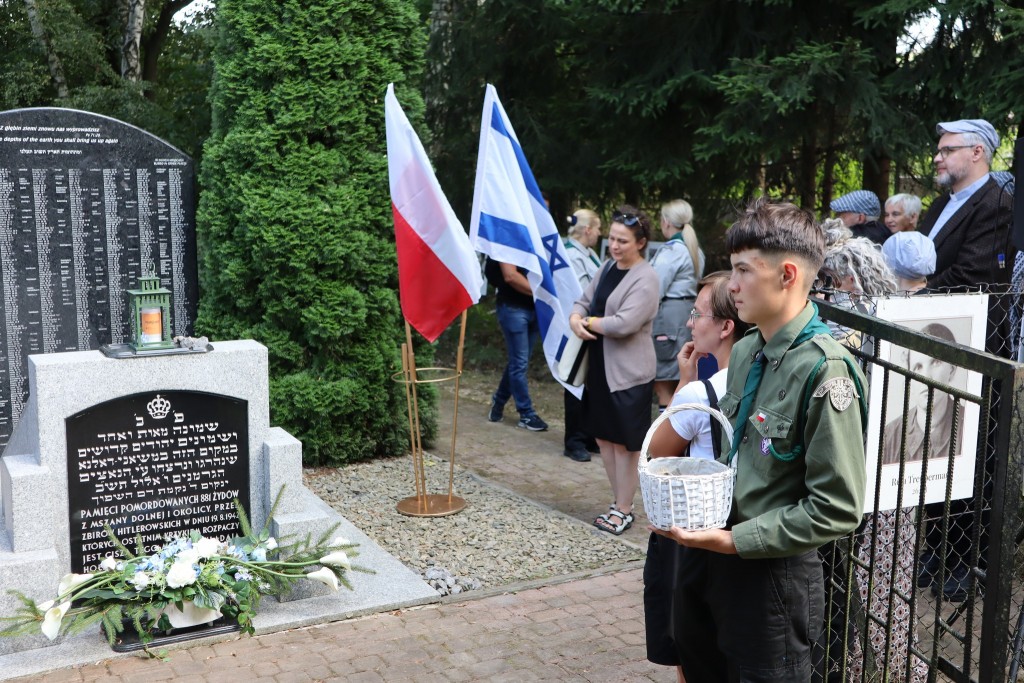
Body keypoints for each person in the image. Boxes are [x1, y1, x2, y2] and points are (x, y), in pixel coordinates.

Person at [654, 198, 867, 682]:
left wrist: (735, 541)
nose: (731, 285)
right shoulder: (749, 349)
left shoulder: (826, 370)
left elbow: (837, 507)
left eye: (743, 270)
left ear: (787, 274)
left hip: (771, 574)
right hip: (713, 554)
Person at [643, 271, 749, 683]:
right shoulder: (762, 380)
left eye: (698, 314)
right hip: (745, 524)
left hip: (699, 530)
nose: (690, 323)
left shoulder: (700, 394)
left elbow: (659, 450)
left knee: (691, 644)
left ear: (725, 327)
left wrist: (684, 380)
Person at [569, 205, 659, 536]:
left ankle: (624, 509)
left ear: (641, 243)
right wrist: (575, 318)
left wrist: (588, 321)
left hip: (629, 374)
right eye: (613, 239)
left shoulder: (646, 278)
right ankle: (617, 501)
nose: (615, 246)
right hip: (600, 369)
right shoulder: (607, 266)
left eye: (623, 241)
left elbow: (624, 324)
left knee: (625, 444)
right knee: (604, 439)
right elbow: (583, 300)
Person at [920, 118, 1014, 356]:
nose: (937, 158)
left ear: (977, 152)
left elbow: (970, 274)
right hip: (927, 326)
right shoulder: (940, 203)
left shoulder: (998, 204)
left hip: (970, 339)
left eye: (948, 150)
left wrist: (914, 293)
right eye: (939, 151)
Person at [650, 200, 704, 413]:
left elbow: (654, 288)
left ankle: (665, 428)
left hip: (669, 319)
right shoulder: (694, 249)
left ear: (666, 221)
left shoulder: (672, 250)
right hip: (688, 313)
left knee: (663, 380)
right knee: (679, 376)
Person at [485, 257, 548, 431]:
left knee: (518, 363)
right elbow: (510, 276)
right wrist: (544, 293)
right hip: (514, 308)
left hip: (534, 308)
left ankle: (498, 403)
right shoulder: (507, 243)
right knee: (519, 363)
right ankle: (526, 414)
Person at [562, 209, 603, 462]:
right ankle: (573, 441)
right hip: (578, 325)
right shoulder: (571, 254)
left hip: (591, 324)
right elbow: (581, 291)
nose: (599, 234)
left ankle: (587, 435)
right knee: (575, 383)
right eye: (597, 228)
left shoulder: (587, 253)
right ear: (587, 229)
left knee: (590, 384)